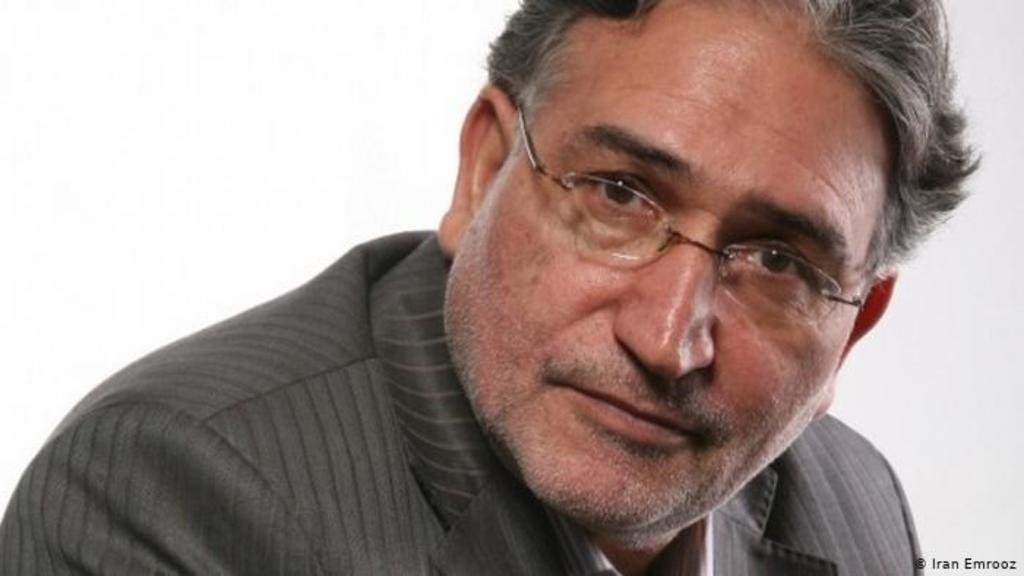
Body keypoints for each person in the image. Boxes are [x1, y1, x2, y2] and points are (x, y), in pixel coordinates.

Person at [0, 0, 975, 574]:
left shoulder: (859, 510)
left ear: (853, 331)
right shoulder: (175, 488)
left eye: (778, 262)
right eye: (620, 194)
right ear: (482, 173)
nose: (667, 338)